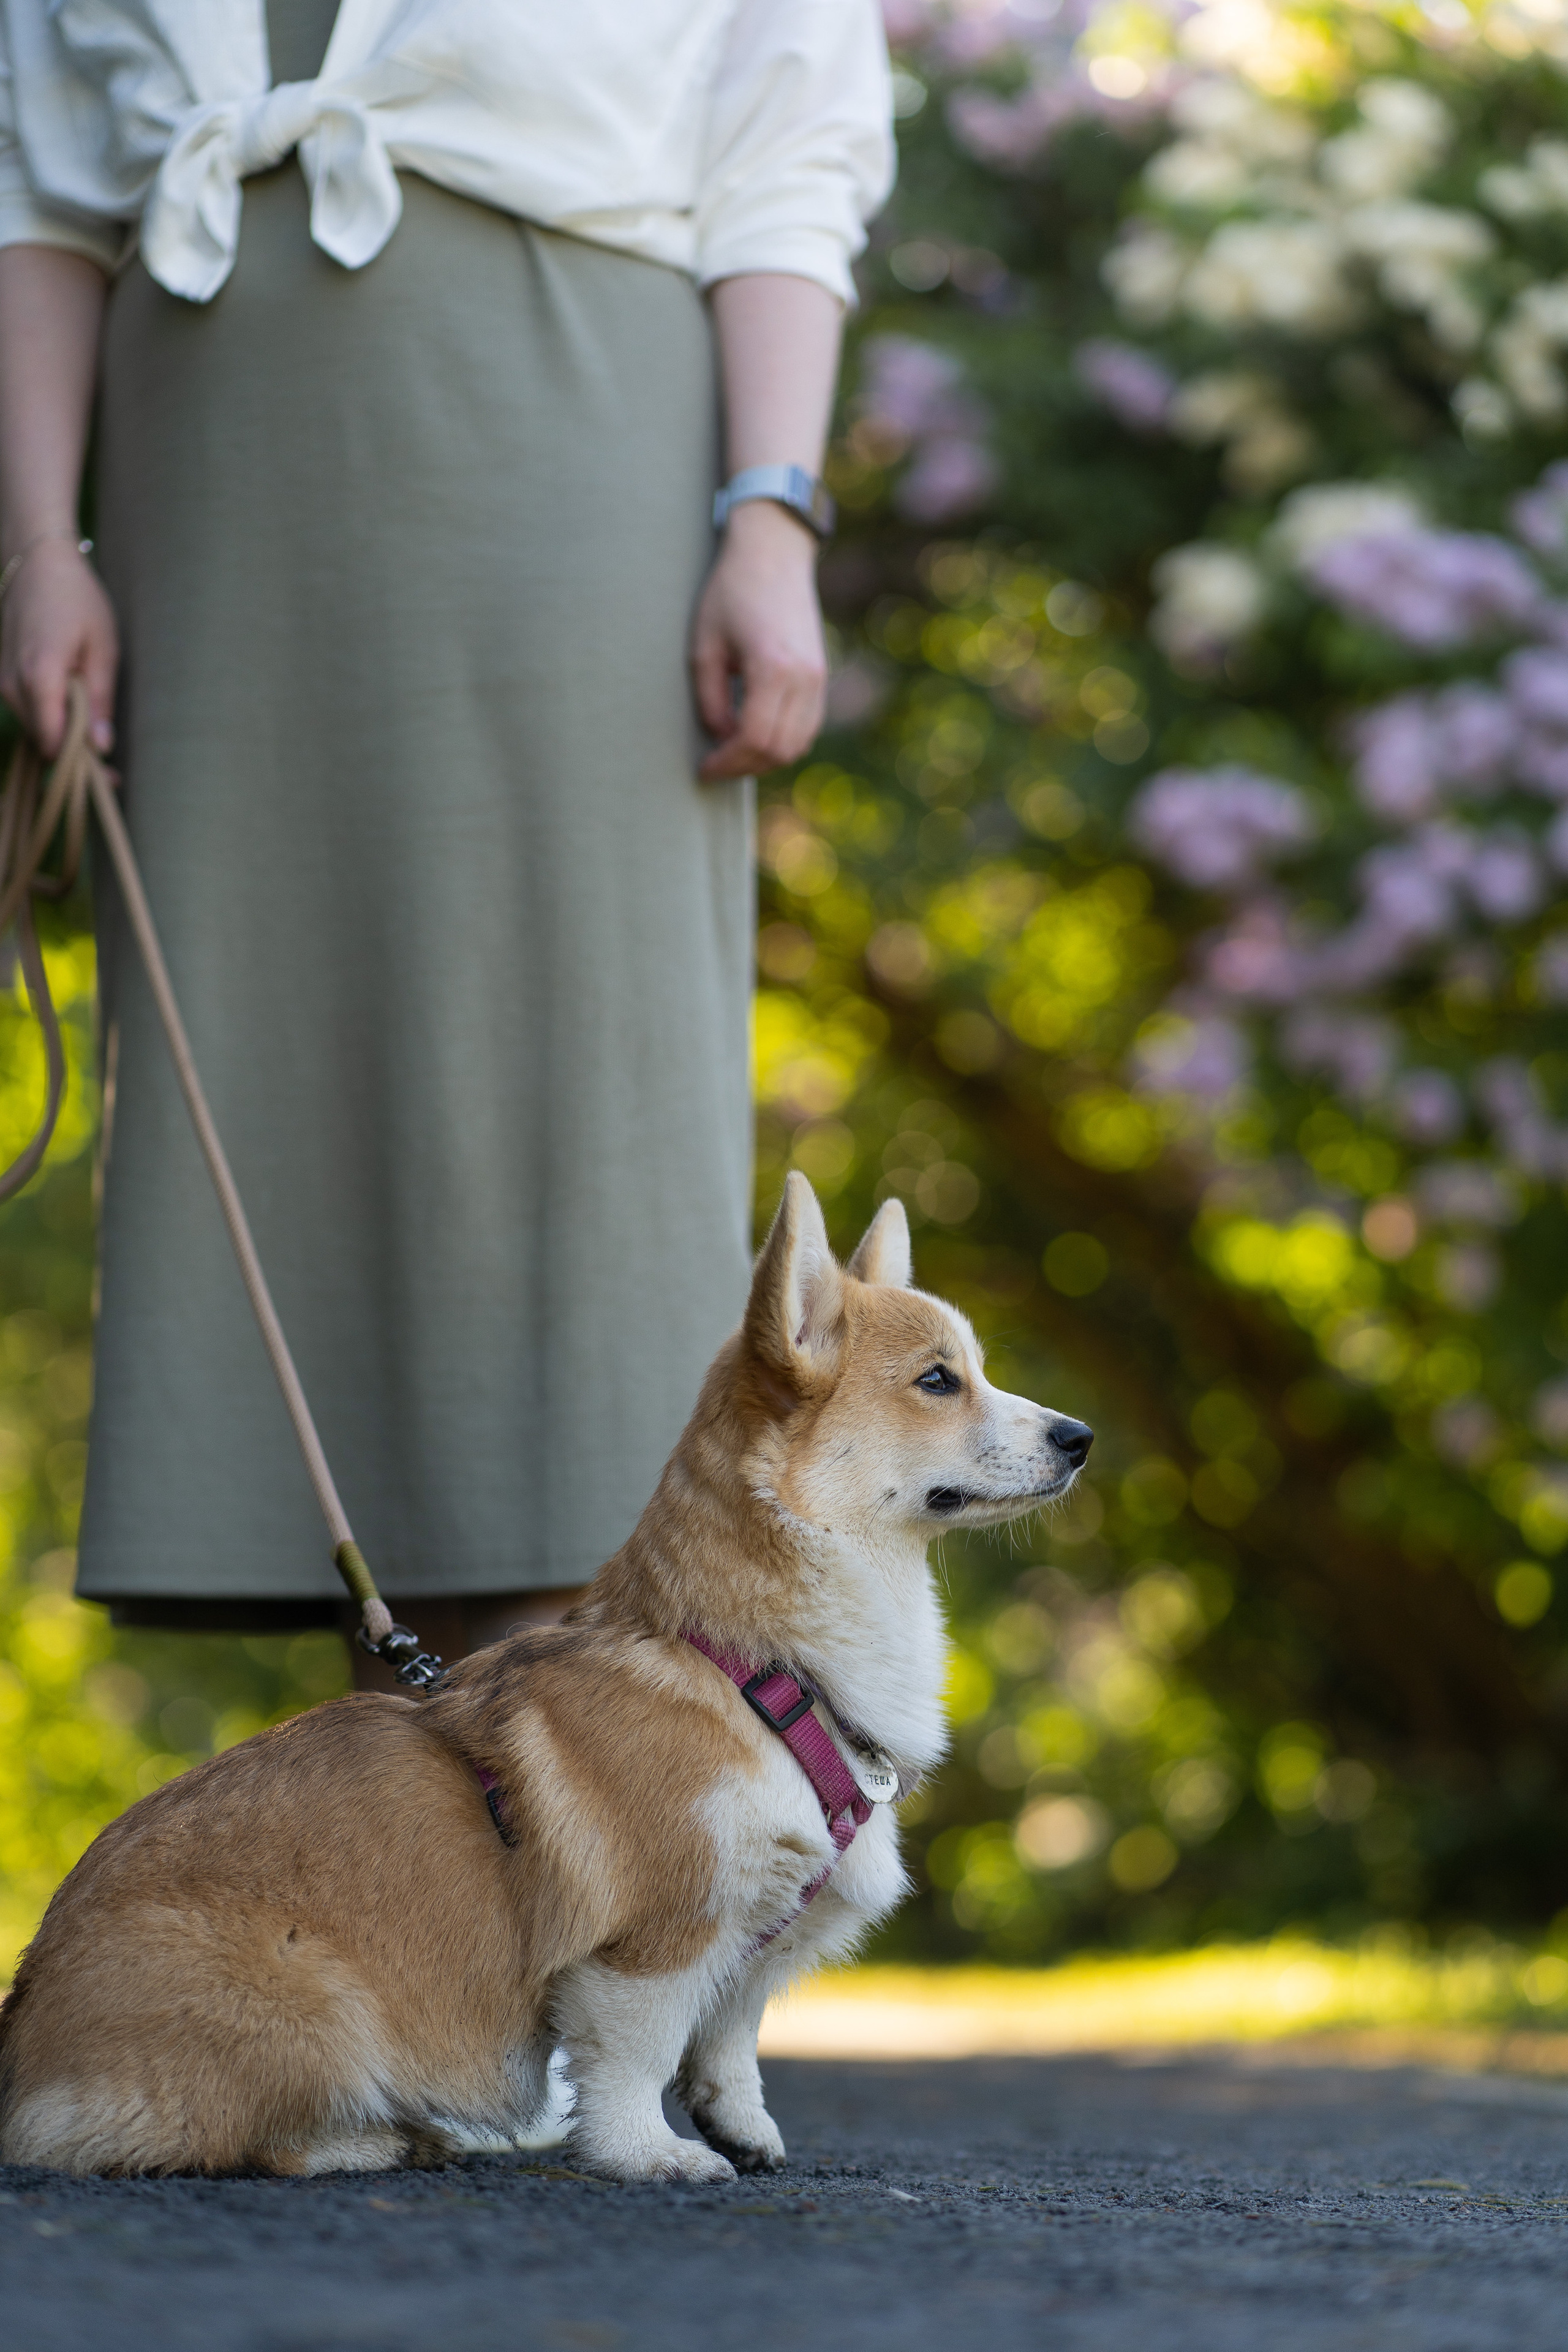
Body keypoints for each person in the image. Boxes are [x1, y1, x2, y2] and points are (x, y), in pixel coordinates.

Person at [0, 1, 893, 1673]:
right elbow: (34, 190)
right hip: (215, 523)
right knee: (295, 1107)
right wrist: (41, 544)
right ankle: (439, 1832)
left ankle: (608, 1783)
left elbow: (787, 141)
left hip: (567, 466)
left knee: (572, 1103)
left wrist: (770, 517)